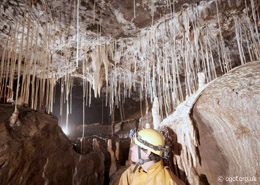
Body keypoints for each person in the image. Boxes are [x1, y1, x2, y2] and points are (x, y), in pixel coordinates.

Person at [119, 128, 185, 185]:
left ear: (147, 152)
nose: (131, 148)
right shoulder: (130, 173)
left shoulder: (169, 182)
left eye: (136, 146)